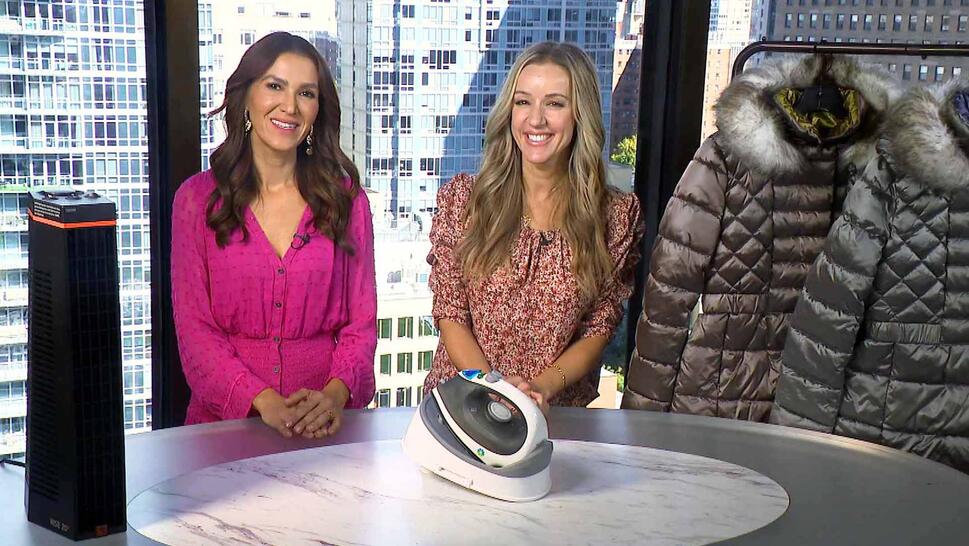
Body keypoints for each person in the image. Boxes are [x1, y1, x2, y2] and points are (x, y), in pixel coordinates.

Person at [171, 32, 376, 438]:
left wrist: (333, 397)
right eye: (275, 86)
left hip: (324, 432)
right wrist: (261, 401)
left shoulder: (346, 201)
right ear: (246, 96)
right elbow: (195, 333)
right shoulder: (196, 201)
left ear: (318, 109)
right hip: (224, 434)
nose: (290, 106)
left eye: (306, 93)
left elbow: (361, 326)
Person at [422, 42, 644, 413]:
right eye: (523, 102)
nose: (535, 119)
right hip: (462, 407)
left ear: (580, 114)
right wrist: (495, 388)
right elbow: (450, 313)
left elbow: (598, 330)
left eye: (554, 103)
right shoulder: (464, 202)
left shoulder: (614, 217)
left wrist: (539, 388)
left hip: (554, 415)